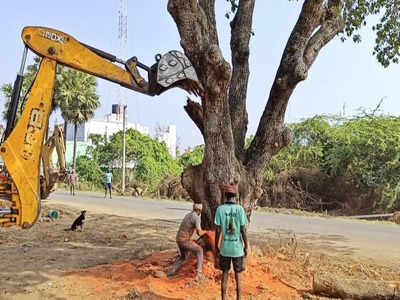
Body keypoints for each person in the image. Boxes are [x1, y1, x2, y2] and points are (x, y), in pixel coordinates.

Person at [215, 184, 248, 300]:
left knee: (225, 273)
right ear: (235, 196)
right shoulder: (240, 209)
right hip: (237, 249)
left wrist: (216, 246)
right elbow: (243, 229)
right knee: (238, 274)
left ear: (225, 196)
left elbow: (218, 230)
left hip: (225, 248)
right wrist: (246, 246)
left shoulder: (220, 209)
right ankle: (239, 298)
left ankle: (223, 298)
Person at [167, 203, 205, 280]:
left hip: (178, 239)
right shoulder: (196, 217)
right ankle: (199, 274)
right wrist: (207, 232)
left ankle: (171, 272)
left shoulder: (188, 215)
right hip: (184, 240)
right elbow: (199, 232)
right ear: (199, 210)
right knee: (200, 250)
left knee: (183, 257)